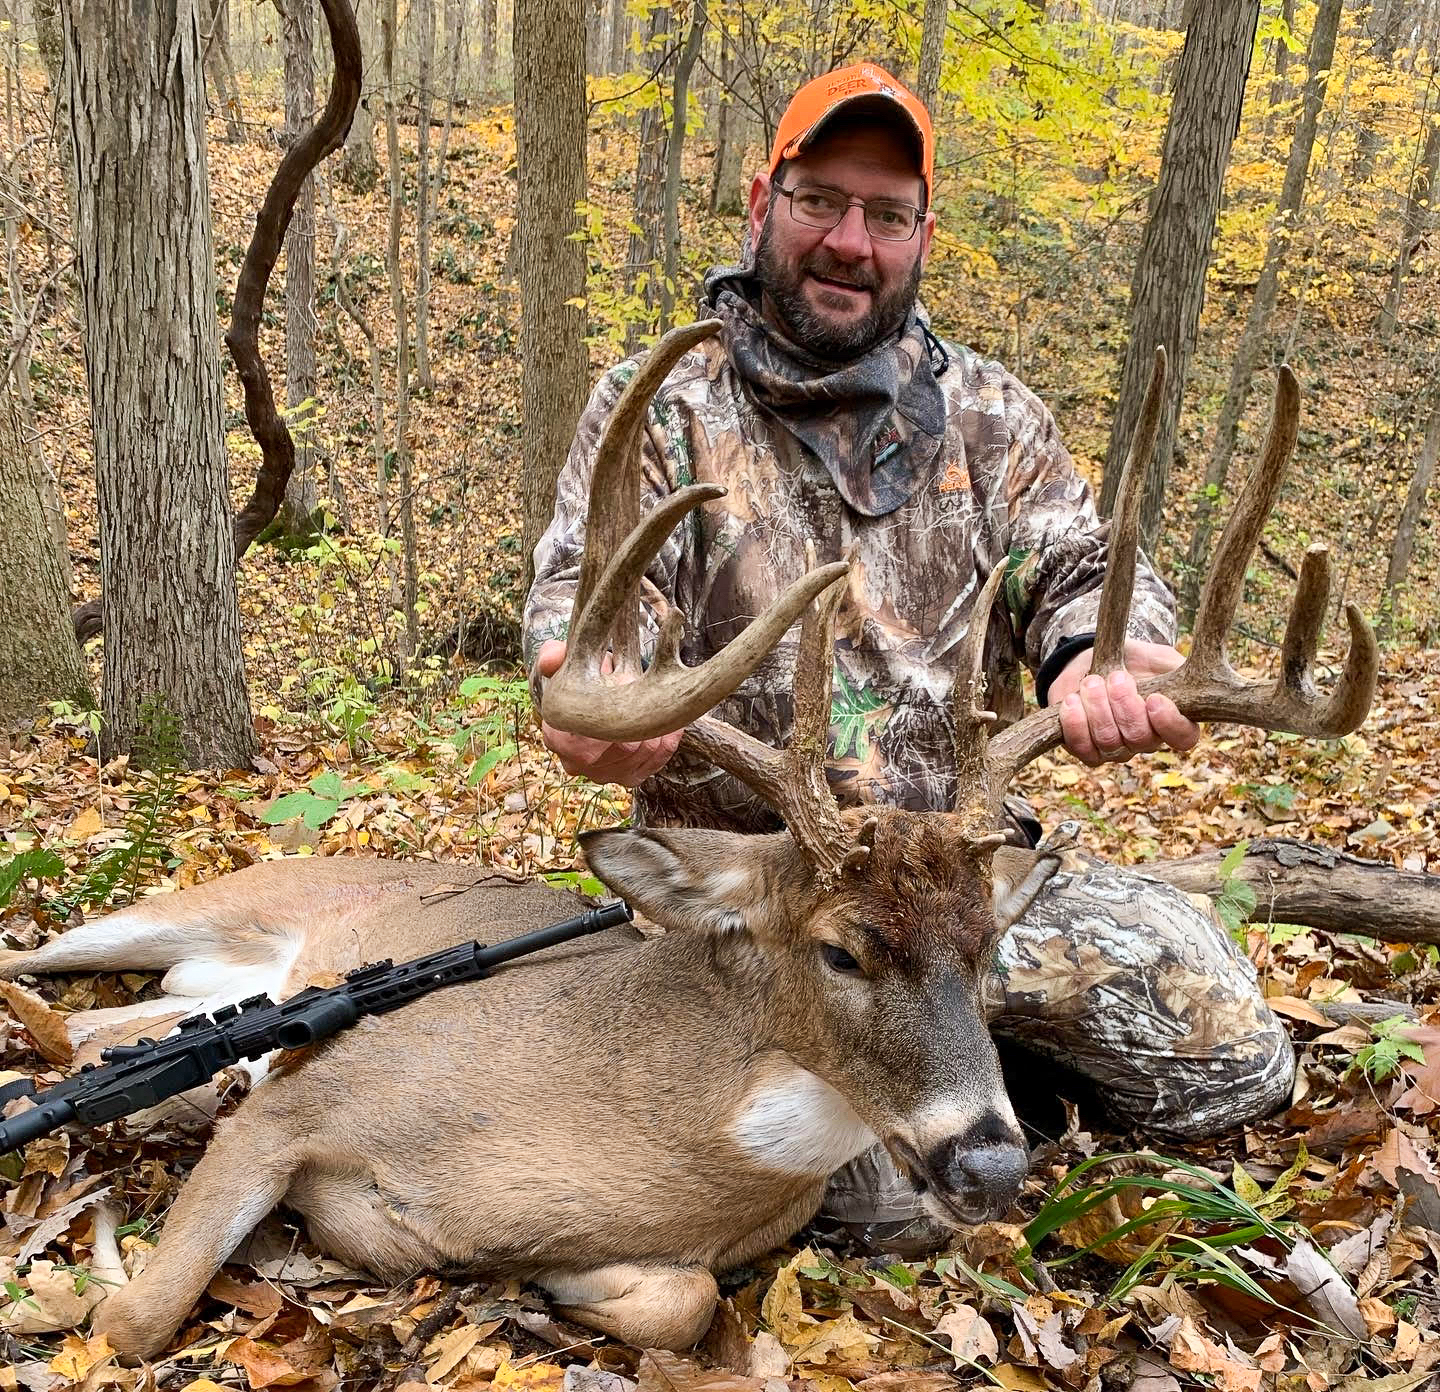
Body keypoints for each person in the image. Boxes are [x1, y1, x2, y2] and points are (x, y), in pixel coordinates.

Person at [523, 62, 1293, 1249]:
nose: (850, 239)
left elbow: (1080, 572)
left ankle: (961, 1064)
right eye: (821, 199)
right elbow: (593, 606)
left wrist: (1103, 655)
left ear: (922, 234)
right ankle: (923, 1091)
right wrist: (602, 693)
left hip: (960, 892)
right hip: (771, 913)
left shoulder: (993, 418)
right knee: (884, 1214)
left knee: (1225, 1053)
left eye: (886, 215)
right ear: (759, 201)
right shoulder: (663, 405)